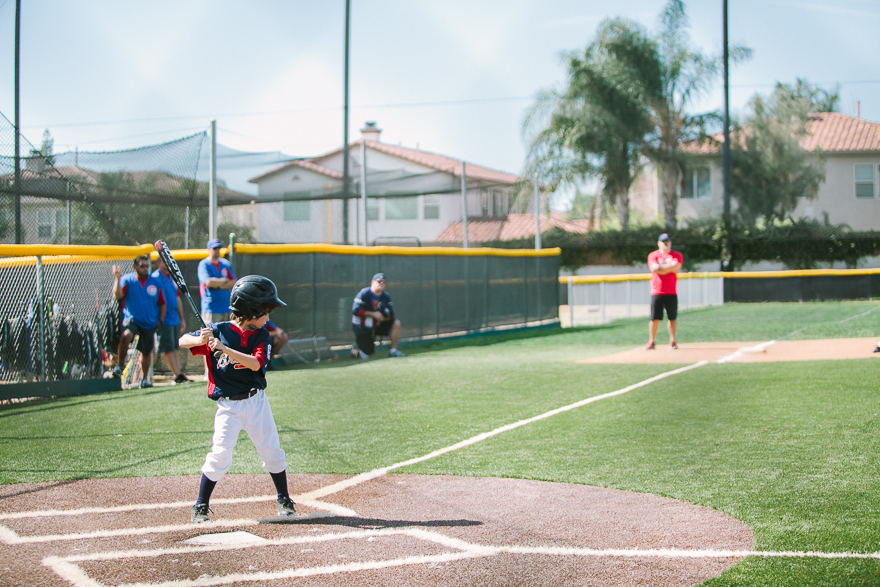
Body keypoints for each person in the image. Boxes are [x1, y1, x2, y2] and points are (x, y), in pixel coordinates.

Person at [180, 275, 297, 523]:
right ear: (251, 309)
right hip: (228, 406)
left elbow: (255, 364)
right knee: (220, 455)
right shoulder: (218, 331)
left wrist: (223, 349)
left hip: (256, 403)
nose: (269, 316)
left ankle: (284, 497)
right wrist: (200, 339)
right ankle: (200, 504)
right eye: (266, 311)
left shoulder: (261, 336)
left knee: (271, 451)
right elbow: (182, 341)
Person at [111, 255, 166, 387]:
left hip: (150, 321)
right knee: (126, 335)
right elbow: (117, 295)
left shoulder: (155, 281)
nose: (145, 269)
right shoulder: (127, 280)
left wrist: (160, 321)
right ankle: (119, 365)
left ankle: (144, 379)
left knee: (146, 351)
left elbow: (162, 303)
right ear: (135, 267)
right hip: (132, 319)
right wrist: (117, 279)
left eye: (147, 266)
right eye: (142, 266)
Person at [198, 238, 236, 378]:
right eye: (214, 248)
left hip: (226, 307)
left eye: (218, 248)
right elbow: (208, 282)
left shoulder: (225, 264)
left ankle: (226, 367)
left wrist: (218, 283)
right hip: (210, 309)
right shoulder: (204, 264)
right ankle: (208, 369)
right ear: (209, 250)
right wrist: (223, 282)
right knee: (208, 339)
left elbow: (234, 282)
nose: (217, 251)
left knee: (227, 339)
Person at [351, 272, 405, 359]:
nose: (381, 284)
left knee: (396, 323)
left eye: (384, 282)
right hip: (362, 327)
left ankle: (393, 351)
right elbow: (355, 310)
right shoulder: (364, 293)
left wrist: (383, 317)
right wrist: (373, 314)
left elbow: (391, 315)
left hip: (377, 324)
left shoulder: (385, 296)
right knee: (366, 355)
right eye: (379, 281)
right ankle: (356, 349)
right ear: (372, 282)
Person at [153, 256, 189, 384]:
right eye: (164, 261)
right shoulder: (155, 277)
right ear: (158, 263)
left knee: (174, 348)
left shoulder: (172, 278)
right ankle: (177, 374)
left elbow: (177, 298)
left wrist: (182, 319)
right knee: (167, 348)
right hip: (164, 319)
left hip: (174, 319)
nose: (167, 264)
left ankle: (178, 374)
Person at [646, 233, 683, 350]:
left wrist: (661, 268)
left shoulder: (676, 255)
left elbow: (676, 266)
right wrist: (669, 267)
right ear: (659, 243)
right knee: (654, 318)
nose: (665, 243)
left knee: (672, 318)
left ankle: (672, 341)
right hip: (657, 292)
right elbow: (654, 268)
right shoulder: (653, 255)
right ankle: (651, 342)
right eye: (663, 241)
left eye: (667, 241)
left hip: (671, 291)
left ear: (670, 242)